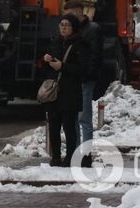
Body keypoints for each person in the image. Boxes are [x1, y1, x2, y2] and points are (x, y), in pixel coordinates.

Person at [40, 13, 87, 167]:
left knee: (69, 127)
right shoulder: (55, 42)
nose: (63, 28)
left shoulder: (80, 44)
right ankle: (56, 157)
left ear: (73, 28)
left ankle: (70, 157)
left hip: (70, 91)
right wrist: (46, 60)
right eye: (61, 25)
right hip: (54, 91)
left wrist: (63, 67)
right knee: (53, 125)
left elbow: (82, 69)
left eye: (67, 25)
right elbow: (44, 67)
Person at [63, 0, 103, 167]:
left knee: (84, 118)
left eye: (71, 14)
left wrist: (88, 76)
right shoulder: (75, 30)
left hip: (84, 80)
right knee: (73, 117)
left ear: (80, 12)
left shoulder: (92, 30)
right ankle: (76, 152)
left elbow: (95, 56)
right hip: (73, 80)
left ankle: (86, 155)